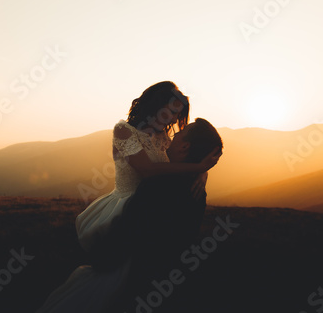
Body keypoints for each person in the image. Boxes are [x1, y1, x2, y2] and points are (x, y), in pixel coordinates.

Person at [35, 118, 223, 313]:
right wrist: (201, 171)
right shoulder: (198, 192)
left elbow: (127, 235)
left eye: (178, 134)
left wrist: (100, 262)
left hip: (133, 278)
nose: (171, 137)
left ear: (184, 147)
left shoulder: (156, 187)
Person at [76, 81, 219, 254]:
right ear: (158, 105)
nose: (174, 119)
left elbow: (176, 163)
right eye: (173, 112)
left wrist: (202, 172)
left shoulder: (164, 136)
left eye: (178, 114)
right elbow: (148, 170)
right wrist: (197, 167)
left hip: (155, 203)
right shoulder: (124, 130)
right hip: (126, 205)